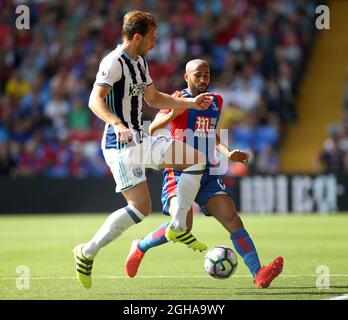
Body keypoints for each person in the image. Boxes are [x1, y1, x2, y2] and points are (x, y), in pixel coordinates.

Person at [73, 10, 214, 289]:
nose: (155, 42)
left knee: (196, 161)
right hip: (121, 143)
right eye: (152, 37)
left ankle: (178, 226)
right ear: (137, 37)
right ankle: (86, 252)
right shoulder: (113, 62)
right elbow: (94, 100)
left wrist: (190, 103)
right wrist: (115, 123)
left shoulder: (140, 62)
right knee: (140, 208)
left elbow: (152, 98)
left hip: (142, 136)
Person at [125, 59, 284, 288]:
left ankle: (258, 273)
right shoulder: (176, 98)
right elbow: (153, 127)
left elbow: (211, 133)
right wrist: (183, 106)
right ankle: (140, 246)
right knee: (182, 227)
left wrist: (228, 154)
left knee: (232, 218)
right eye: (197, 75)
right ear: (186, 76)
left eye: (206, 75)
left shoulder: (216, 101)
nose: (202, 80)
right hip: (179, 172)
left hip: (207, 173)